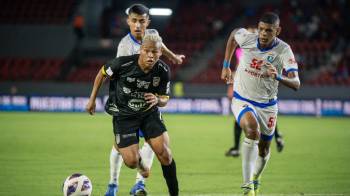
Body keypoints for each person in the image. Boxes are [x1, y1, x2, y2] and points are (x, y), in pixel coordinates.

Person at [102, 4, 184, 196]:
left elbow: (159, 45)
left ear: (147, 22)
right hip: (127, 101)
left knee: (152, 143)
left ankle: (139, 184)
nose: (138, 26)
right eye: (134, 21)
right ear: (128, 22)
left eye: (142, 21)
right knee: (120, 145)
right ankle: (113, 183)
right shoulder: (124, 46)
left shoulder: (152, 35)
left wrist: (172, 57)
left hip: (148, 101)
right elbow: (118, 73)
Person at [86, 33, 179, 196]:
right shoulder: (122, 64)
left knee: (165, 154)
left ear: (160, 53)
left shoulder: (163, 70)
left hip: (148, 114)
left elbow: (165, 99)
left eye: (155, 52)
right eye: (147, 51)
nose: (151, 55)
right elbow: (101, 74)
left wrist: (158, 100)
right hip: (124, 115)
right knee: (131, 161)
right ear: (141, 50)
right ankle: (141, 166)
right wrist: (92, 99)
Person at [221, 12, 300, 195]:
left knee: (264, 150)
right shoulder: (248, 39)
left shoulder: (284, 50)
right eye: (261, 29)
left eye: (269, 31)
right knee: (251, 129)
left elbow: (296, 83)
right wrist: (225, 65)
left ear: (277, 31)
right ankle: (248, 186)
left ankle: (256, 177)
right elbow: (234, 34)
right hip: (242, 98)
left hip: (267, 106)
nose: (263, 34)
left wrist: (278, 76)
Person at [225, 43, 285, 158]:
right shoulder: (245, 50)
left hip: (256, 91)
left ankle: (239, 148)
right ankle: (277, 138)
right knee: (259, 118)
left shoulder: (253, 51)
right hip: (251, 91)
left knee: (263, 119)